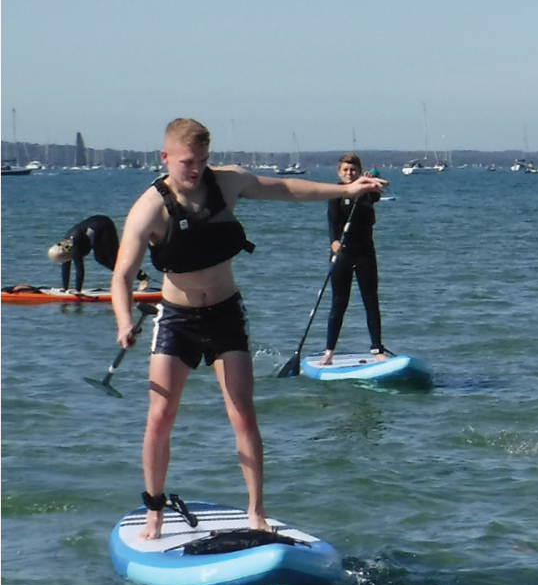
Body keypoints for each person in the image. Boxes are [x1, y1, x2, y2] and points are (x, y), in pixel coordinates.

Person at [111, 118, 386, 540]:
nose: (197, 169)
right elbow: (122, 275)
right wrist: (125, 319)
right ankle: (154, 511)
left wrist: (347, 191)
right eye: (188, 161)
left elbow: (284, 189)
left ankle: (256, 510)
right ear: (164, 157)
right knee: (159, 419)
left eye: (203, 160)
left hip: (224, 315)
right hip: (177, 319)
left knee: (243, 415)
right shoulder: (150, 207)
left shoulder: (228, 184)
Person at [318, 153, 385, 365]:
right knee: (339, 303)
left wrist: (369, 182)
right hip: (342, 254)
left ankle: (377, 349)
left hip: (365, 253)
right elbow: (332, 221)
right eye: (345, 170)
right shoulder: (335, 194)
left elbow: (377, 193)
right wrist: (333, 242)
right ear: (339, 172)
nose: (349, 173)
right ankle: (329, 352)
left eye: (353, 170)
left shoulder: (366, 192)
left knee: (370, 301)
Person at [47, 215, 149, 292]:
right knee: (101, 259)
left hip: (104, 226)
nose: (65, 263)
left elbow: (80, 270)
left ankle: (143, 278)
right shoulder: (64, 246)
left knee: (112, 257)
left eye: (63, 261)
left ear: (64, 255)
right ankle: (124, 278)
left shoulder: (74, 248)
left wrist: (77, 291)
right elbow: (66, 268)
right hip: (95, 232)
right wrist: (65, 289)